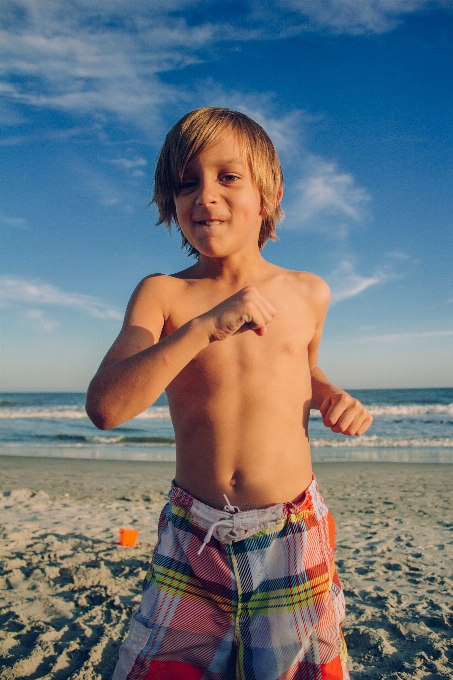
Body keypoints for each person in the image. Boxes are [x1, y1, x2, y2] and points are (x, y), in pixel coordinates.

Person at [86, 107, 373, 680]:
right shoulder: (163, 293)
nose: (205, 196)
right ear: (171, 202)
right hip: (194, 535)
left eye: (228, 177)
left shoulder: (308, 292)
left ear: (268, 193)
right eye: (187, 182)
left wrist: (331, 393)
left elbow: (301, 370)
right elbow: (107, 407)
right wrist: (203, 327)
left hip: (290, 530)